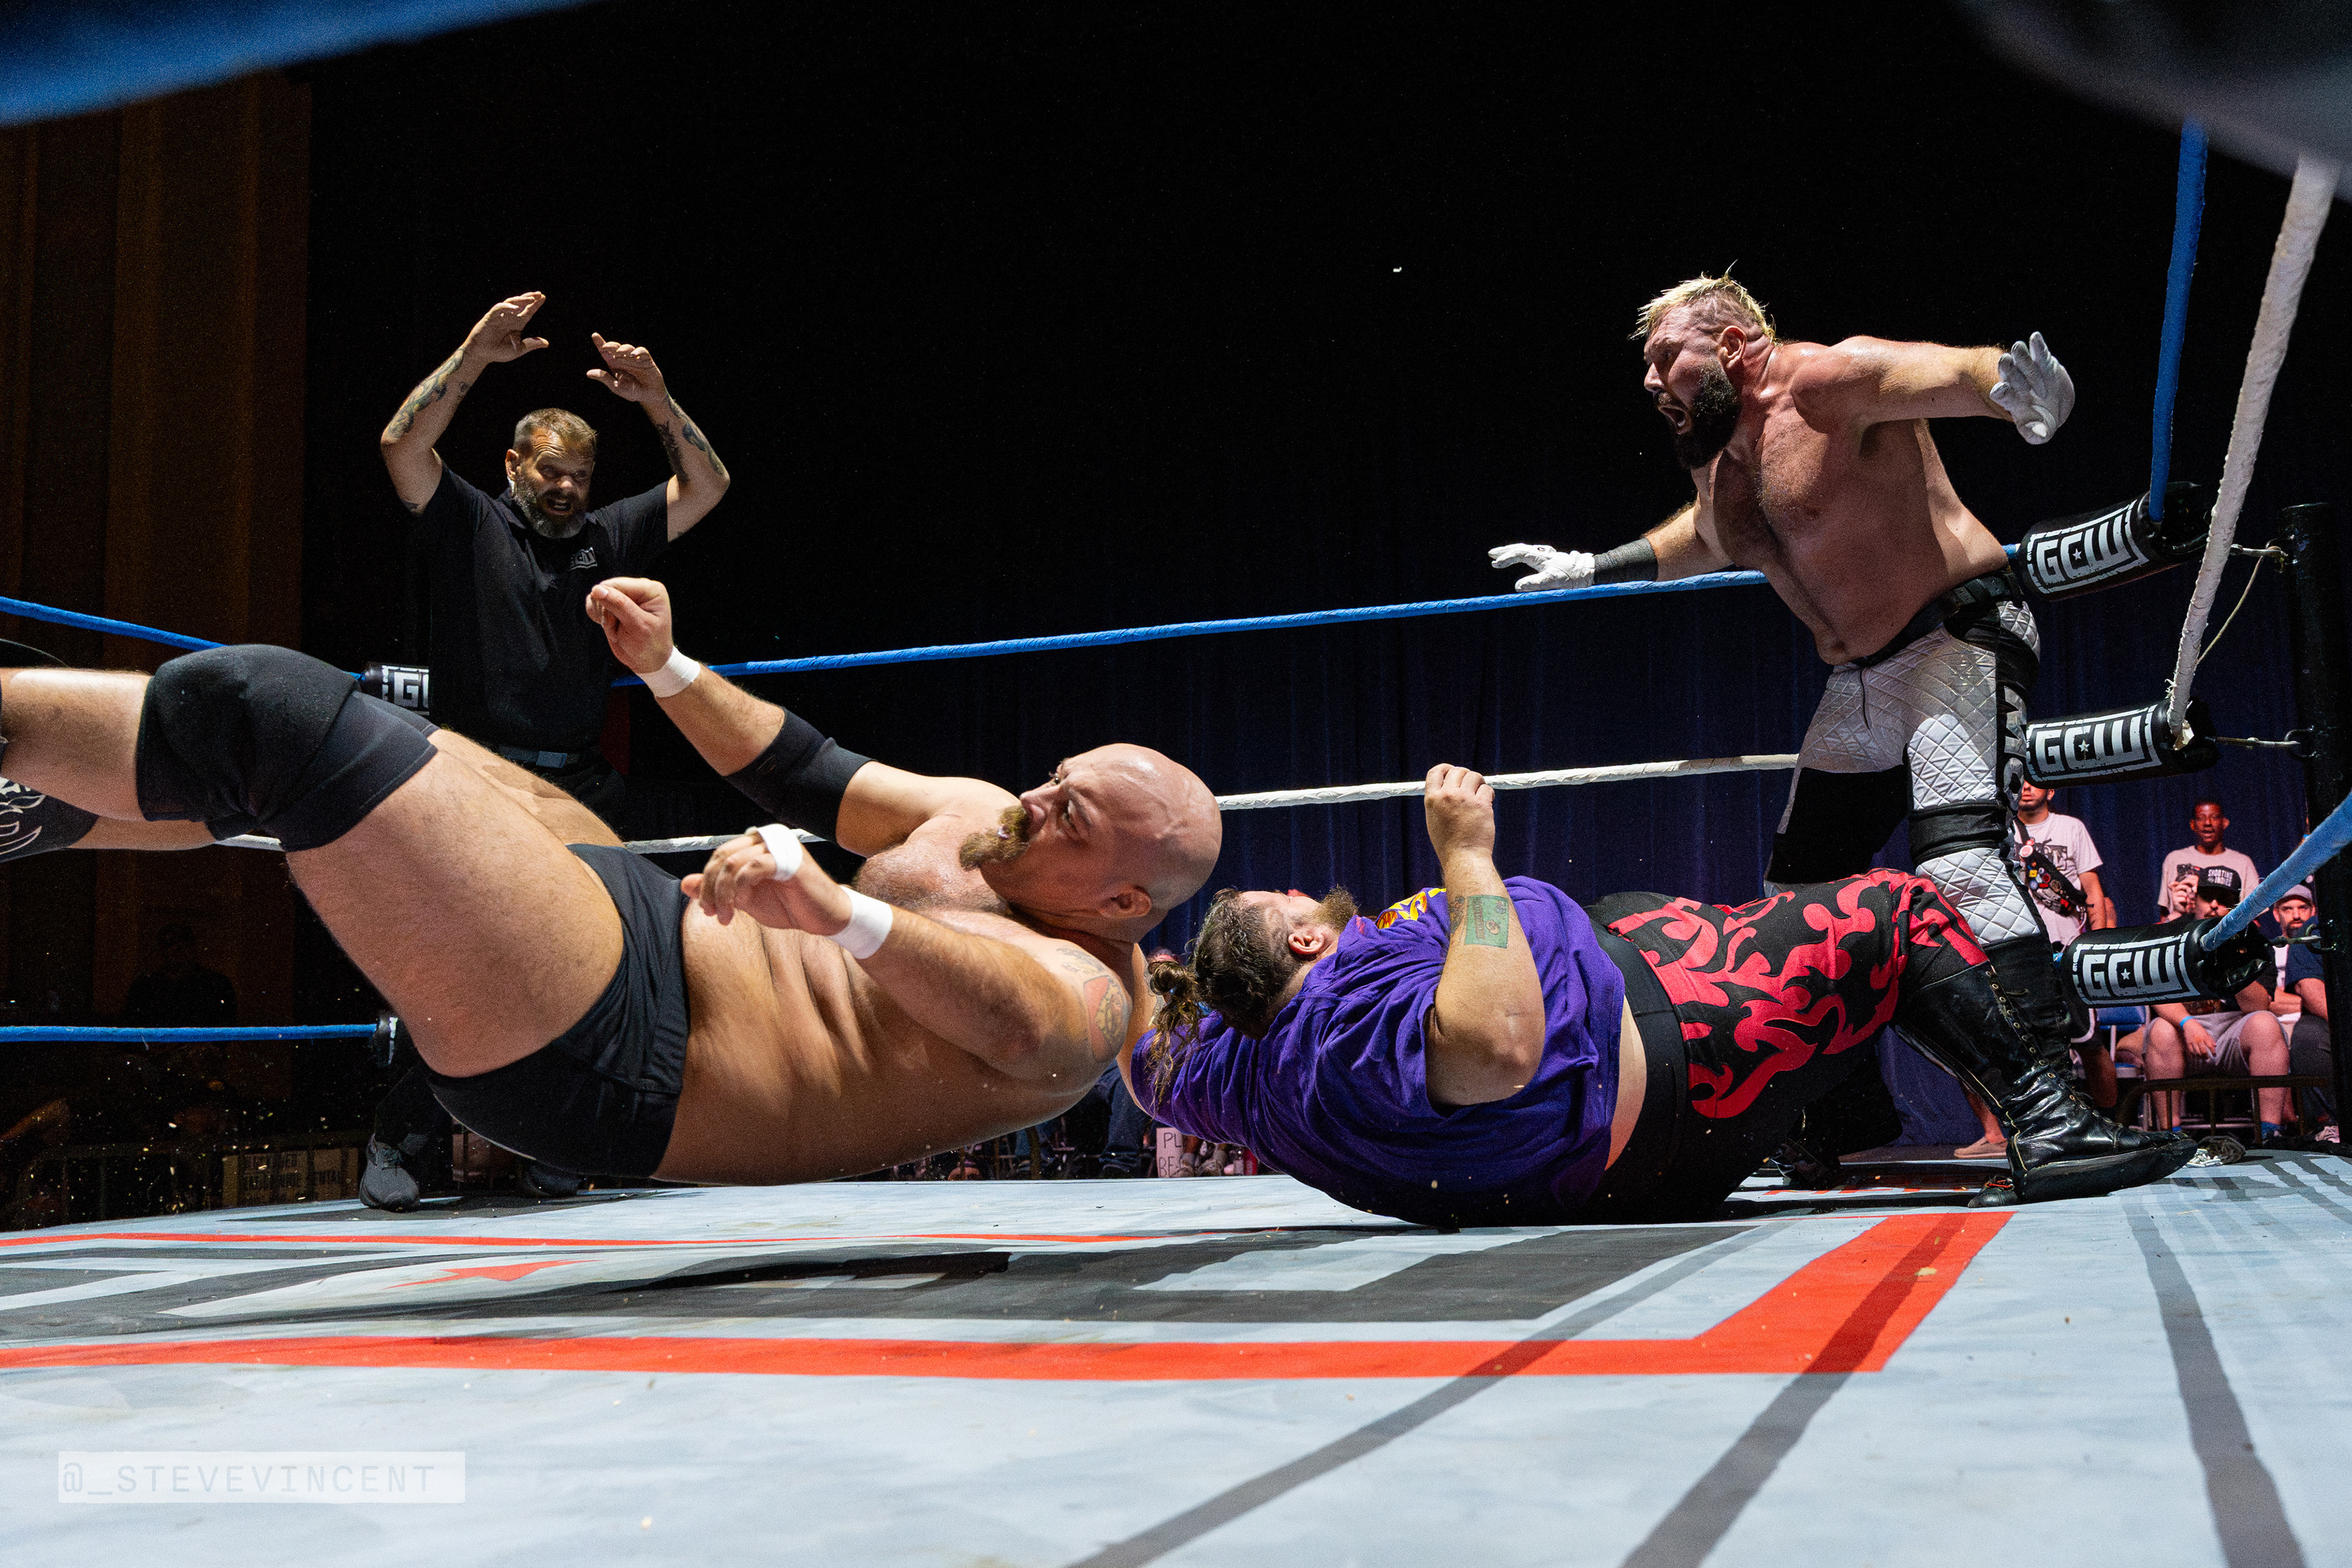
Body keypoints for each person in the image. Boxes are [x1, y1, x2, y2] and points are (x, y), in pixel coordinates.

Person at [0, 628, 1219, 1188]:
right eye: (1057, 775)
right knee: (399, 743)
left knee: (273, 716)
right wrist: (667, 665)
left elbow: (1015, 1020)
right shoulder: (981, 814)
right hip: (637, 915)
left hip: (629, 1059)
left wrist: (835, 915)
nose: (1036, 799)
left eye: (1071, 814)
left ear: (1122, 898)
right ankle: (27, 808)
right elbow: (805, 770)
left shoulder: (1093, 994)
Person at [1133, 764, 2220, 1224]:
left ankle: (1833, 1129)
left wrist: (1106, 910)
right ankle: (2051, 1128)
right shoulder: (1340, 1024)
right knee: (1894, 912)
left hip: (1633, 1099)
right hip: (1674, 1068)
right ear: (1305, 938)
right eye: (1283, 898)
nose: (1299, 887)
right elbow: (1496, 1046)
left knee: (1649, 908)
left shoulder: (1243, 1069)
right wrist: (1467, 853)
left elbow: (1146, 1059)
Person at [1488, 274, 2084, 1091]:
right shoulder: (1722, 455)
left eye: (1667, 357)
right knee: (1799, 901)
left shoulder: (1826, 382)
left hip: (1954, 635)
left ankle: (2054, 1100)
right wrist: (1592, 567)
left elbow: (1948, 373)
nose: (1652, 381)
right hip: (1859, 680)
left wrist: (2017, 393)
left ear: (1733, 344)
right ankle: (1840, 1113)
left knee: (1962, 867)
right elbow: (1709, 537)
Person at [378, 292, 733, 826]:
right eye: (550, 470)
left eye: (580, 475)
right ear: (513, 465)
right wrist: (475, 354)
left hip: (582, 785)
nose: (566, 487)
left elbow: (709, 485)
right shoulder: (470, 521)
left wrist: (656, 399)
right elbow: (400, 446)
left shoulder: (609, 533)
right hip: (478, 778)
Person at [2139, 880, 2293, 1141]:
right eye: (2207, 897)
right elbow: (2157, 993)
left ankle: (2269, 1133)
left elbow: (2258, 1006)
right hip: (2185, 1029)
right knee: (2161, 1030)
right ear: (2194, 901)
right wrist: (2188, 1023)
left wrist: (2229, 960)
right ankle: (2170, 1136)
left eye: (2223, 900)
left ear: (2235, 906)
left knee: (2266, 1024)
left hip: (2235, 1029)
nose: (2213, 905)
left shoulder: (2253, 940)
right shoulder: (2171, 935)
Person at [2154, 797, 2260, 917]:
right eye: (2201, 818)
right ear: (2192, 824)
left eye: (2214, 817)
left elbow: (2254, 917)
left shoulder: (2242, 863)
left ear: (2225, 823)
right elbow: (2165, 913)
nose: (2207, 823)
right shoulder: (2175, 859)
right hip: (2183, 927)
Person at [121, 922, 238, 1030]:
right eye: (170, 944)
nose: (177, 950)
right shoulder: (145, 986)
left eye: (184, 944)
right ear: (161, 950)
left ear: (193, 948)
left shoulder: (216, 984)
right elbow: (132, 1026)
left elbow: (227, 1025)